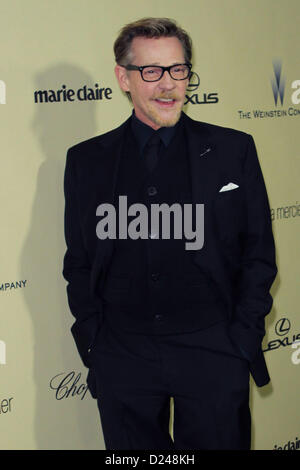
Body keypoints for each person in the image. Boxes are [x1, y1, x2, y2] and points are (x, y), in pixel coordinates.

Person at [63, 17, 277, 450]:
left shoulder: (234, 150)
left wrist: (241, 338)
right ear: (123, 78)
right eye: (152, 71)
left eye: (178, 69)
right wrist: (96, 342)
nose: (168, 85)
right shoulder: (87, 161)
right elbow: (80, 260)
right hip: (123, 354)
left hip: (214, 350)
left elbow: (258, 254)